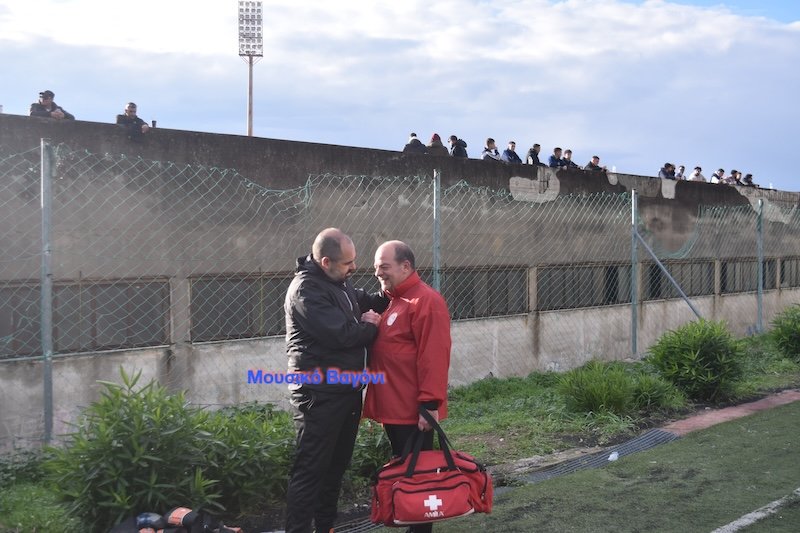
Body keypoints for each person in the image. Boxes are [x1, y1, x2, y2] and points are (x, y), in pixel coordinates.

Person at [284, 228, 389, 533]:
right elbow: (343, 334)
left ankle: (325, 527)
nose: (354, 268)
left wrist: (391, 289)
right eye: (348, 263)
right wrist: (369, 326)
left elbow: (366, 300)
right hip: (319, 394)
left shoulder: (338, 282)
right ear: (326, 261)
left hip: (345, 390)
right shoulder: (306, 291)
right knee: (310, 470)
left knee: (335, 468)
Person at [364, 240, 451, 533]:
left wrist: (429, 406)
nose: (379, 274)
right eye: (376, 269)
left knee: (418, 479)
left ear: (406, 266)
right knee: (408, 476)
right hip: (396, 410)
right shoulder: (394, 301)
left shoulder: (425, 301)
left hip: (413, 412)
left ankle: (420, 528)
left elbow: (434, 357)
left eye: (384, 268)